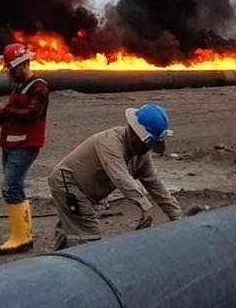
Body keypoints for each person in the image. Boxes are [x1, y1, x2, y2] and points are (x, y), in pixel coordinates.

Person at [47, 102, 182, 250]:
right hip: (68, 185)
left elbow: (155, 184)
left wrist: (178, 217)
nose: (148, 148)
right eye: (148, 143)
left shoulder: (141, 155)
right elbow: (121, 178)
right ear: (134, 133)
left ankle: (54, 260)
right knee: (88, 237)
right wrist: (145, 206)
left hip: (86, 191)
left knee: (71, 229)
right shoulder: (110, 143)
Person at [0, 42, 50, 255]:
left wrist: (4, 111)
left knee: (11, 187)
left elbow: (32, 114)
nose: (8, 73)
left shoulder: (39, 87)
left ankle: (22, 238)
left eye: (11, 69)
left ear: (22, 65)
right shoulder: (19, 87)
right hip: (11, 143)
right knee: (12, 187)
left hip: (26, 145)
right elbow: (13, 114)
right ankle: (21, 235)